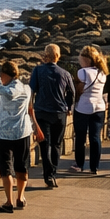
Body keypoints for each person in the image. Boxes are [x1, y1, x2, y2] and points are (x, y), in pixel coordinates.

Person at [0, 63, 41, 212]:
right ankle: (20, 197)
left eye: (1, 75)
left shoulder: (5, 90)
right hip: (22, 132)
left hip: (4, 134)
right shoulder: (27, 89)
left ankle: (9, 201)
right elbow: (30, 108)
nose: (0, 78)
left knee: (6, 169)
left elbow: (8, 92)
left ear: (7, 75)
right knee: (22, 167)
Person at [29, 44, 75, 188]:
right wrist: (68, 107)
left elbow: (31, 91)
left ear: (45, 55)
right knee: (56, 144)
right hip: (59, 113)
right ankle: (52, 172)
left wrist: (30, 109)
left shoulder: (38, 70)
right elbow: (72, 93)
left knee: (45, 144)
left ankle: (48, 174)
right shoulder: (65, 73)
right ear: (58, 56)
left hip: (42, 112)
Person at [71, 46, 107, 175]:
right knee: (95, 137)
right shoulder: (102, 72)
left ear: (85, 59)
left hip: (83, 107)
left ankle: (79, 164)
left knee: (80, 137)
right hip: (99, 107)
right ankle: (94, 167)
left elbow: (79, 90)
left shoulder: (83, 72)